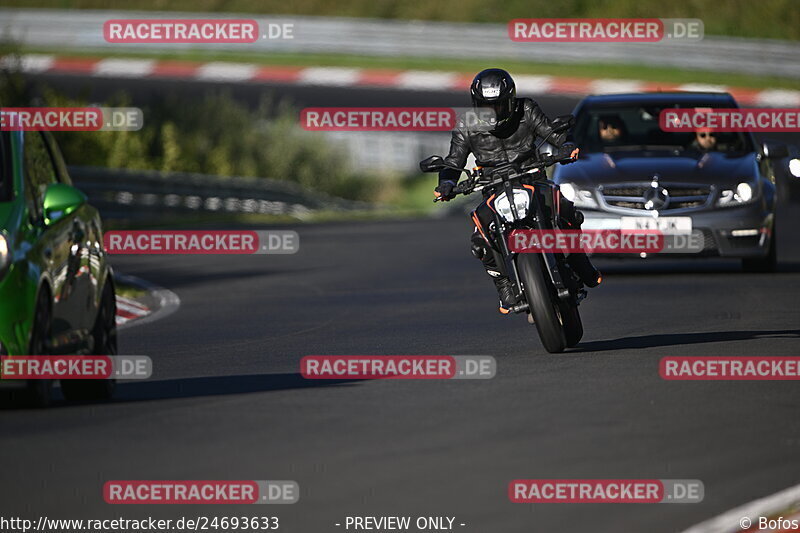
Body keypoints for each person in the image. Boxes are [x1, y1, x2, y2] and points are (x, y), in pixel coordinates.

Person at [434, 68, 601, 314]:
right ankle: (504, 285)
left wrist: (566, 146)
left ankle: (578, 259)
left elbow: (553, 133)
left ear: (510, 100)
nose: (493, 112)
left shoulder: (527, 110)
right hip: (493, 188)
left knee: (564, 206)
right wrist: (446, 183)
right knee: (480, 238)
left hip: (532, 177)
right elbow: (453, 161)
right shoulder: (466, 125)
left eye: (499, 105)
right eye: (485, 106)